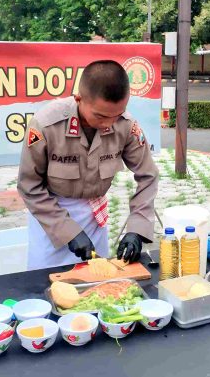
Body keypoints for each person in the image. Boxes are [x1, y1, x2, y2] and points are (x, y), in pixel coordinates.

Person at [17, 60, 159, 270]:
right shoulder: (46, 125)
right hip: (50, 216)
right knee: (46, 282)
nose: (108, 124)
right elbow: (29, 186)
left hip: (94, 216)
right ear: (79, 99)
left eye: (116, 115)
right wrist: (67, 231)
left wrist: (137, 229)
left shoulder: (126, 125)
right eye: (100, 116)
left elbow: (148, 176)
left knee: (98, 280)